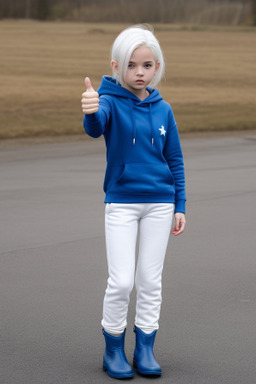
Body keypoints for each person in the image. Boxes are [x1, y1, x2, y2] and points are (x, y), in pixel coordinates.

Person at [81, 24, 186, 379]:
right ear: (116, 66)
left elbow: (175, 159)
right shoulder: (109, 101)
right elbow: (97, 127)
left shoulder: (164, 109)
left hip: (161, 203)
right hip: (122, 203)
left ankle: (144, 349)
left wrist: (180, 204)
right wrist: (91, 110)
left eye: (147, 65)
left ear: (156, 67)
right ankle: (113, 350)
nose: (139, 73)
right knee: (123, 281)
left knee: (150, 280)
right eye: (131, 65)